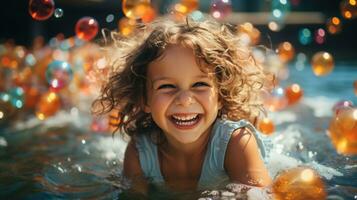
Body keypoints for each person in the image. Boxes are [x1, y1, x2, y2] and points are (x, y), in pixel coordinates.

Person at [92, 17, 272, 194]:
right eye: (167, 86)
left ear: (221, 96)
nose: (185, 99)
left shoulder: (236, 143)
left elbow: (259, 195)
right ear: (144, 99)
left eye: (200, 84)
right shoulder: (140, 152)